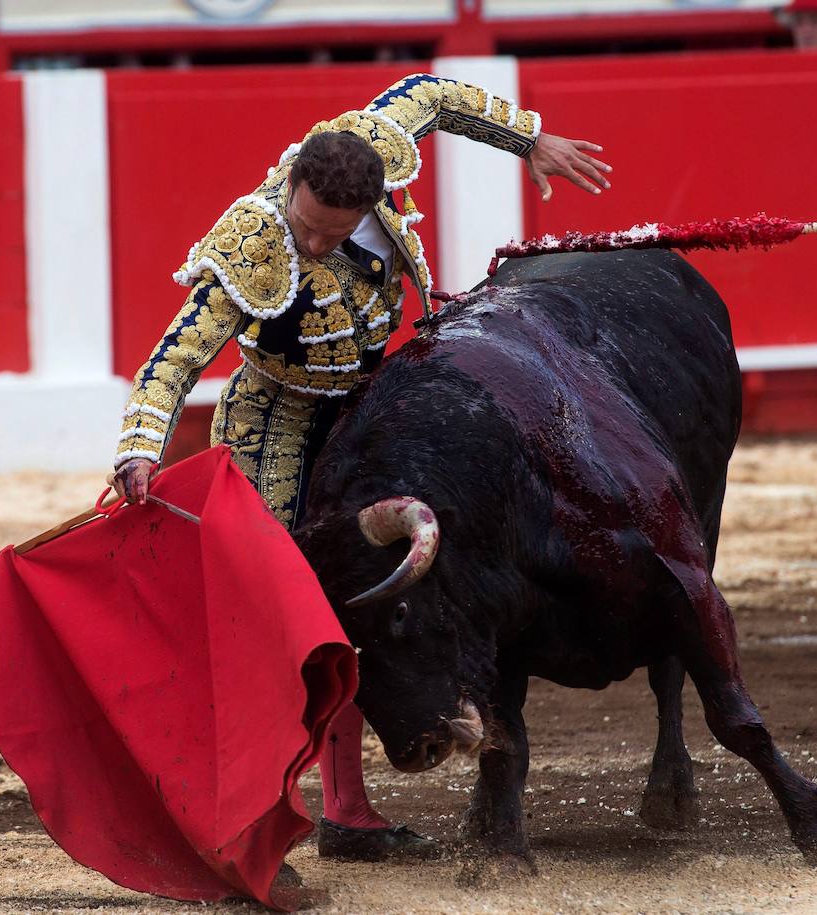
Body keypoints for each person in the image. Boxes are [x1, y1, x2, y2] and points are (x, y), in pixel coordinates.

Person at [111, 72, 610, 862]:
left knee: (373, 606)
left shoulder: (375, 144)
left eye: (328, 234)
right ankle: (254, 810)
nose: (310, 244)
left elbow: (433, 92)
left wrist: (529, 139)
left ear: (365, 206)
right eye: (305, 226)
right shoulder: (256, 238)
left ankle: (346, 807)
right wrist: (141, 445)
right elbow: (173, 359)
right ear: (296, 188)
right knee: (285, 618)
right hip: (277, 425)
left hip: (370, 410)